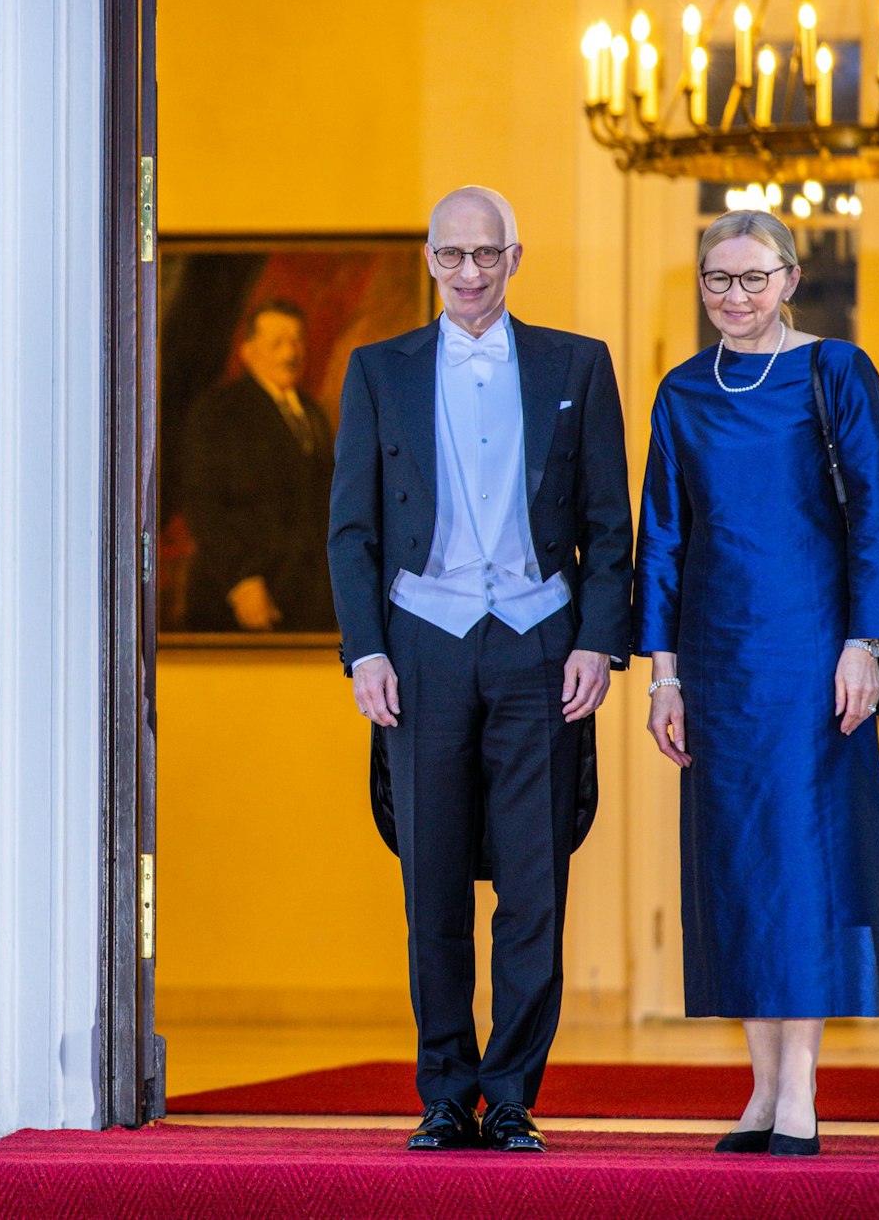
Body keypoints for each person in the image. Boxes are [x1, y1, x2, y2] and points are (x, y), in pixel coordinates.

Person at [327, 186, 632, 1153]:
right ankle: (445, 1089)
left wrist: (598, 638)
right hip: (423, 644)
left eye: (486, 254)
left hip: (542, 639)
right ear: (429, 258)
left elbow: (606, 525)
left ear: (515, 256)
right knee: (434, 879)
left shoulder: (577, 364)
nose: (468, 272)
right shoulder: (378, 371)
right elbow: (351, 530)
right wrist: (365, 648)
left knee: (536, 882)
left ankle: (510, 1095)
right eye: (452, 254)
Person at [634, 209, 879, 1158]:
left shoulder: (836, 372)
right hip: (714, 659)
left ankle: (801, 1093)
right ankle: (757, 1090)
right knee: (736, 865)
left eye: (751, 278)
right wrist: (661, 675)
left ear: (790, 278)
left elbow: (872, 515)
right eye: (716, 279)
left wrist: (863, 640)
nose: (732, 296)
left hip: (814, 650)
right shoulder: (680, 393)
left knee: (804, 862)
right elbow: (660, 538)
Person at [183, 299, 336, 632]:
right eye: (277, 343)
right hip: (244, 598)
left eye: (296, 340)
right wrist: (242, 581)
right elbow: (204, 505)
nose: (290, 352)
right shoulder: (221, 411)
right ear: (248, 351)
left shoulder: (311, 413)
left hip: (308, 598)